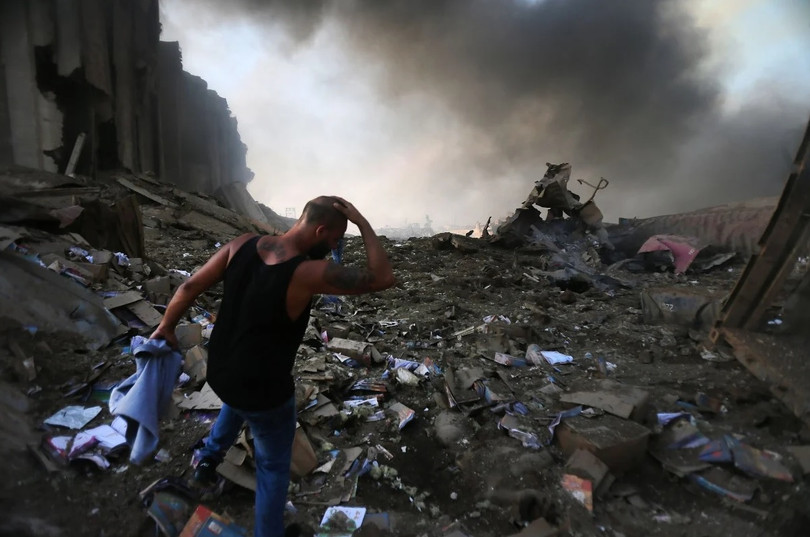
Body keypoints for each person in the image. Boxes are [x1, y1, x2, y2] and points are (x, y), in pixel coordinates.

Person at [149, 196, 395, 537]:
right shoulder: (308, 272)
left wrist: (166, 327)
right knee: (273, 466)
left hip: (219, 371)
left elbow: (189, 286)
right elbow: (381, 277)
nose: (336, 245)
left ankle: (208, 460)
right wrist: (363, 222)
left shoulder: (241, 244)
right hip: (264, 391)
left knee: (237, 401)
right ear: (320, 230)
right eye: (336, 238)